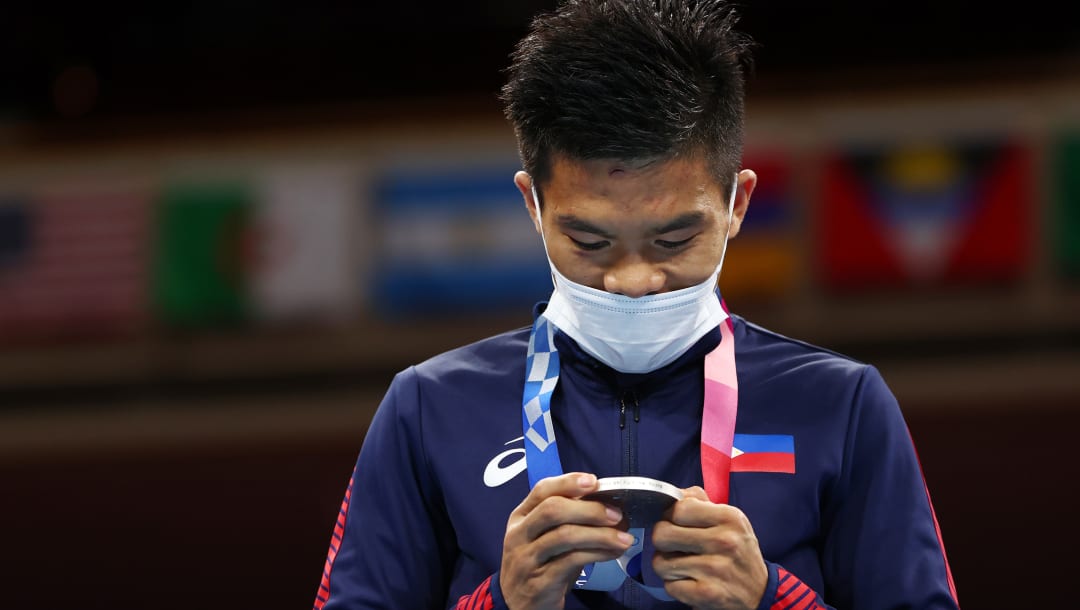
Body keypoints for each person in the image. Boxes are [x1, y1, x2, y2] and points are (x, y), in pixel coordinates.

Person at [314, 1, 959, 608]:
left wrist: (770, 599)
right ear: (532, 205)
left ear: (737, 204)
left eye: (674, 238)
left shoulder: (842, 405)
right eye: (589, 241)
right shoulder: (429, 409)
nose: (633, 279)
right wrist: (501, 601)